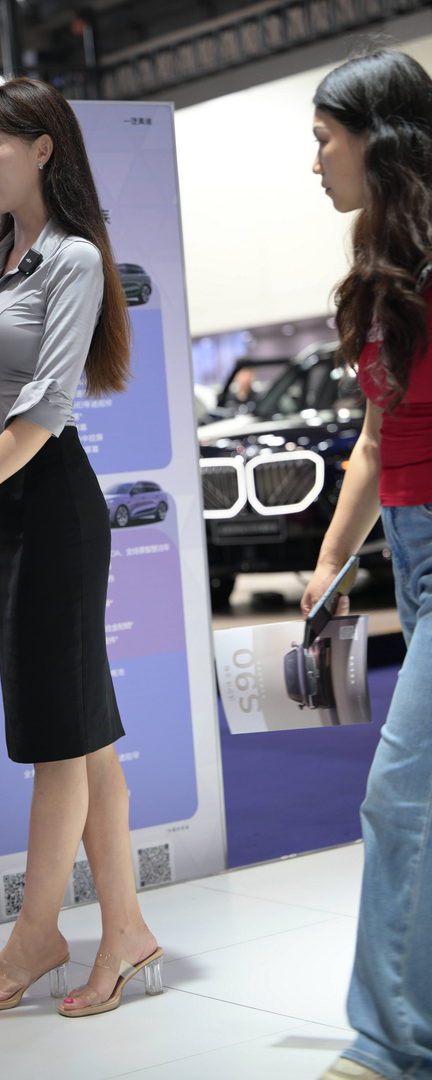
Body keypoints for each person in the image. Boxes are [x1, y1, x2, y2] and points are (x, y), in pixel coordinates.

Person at [0, 76, 162, 1017]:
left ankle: (35, 938)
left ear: (43, 148)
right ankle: (126, 935)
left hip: (49, 503)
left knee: (58, 737)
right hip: (18, 503)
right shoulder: (7, 255)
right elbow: (12, 393)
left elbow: (48, 411)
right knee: (85, 737)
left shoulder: (74, 258)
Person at [303, 50, 432, 1080]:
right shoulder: (384, 270)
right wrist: (331, 559)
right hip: (410, 554)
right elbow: (375, 437)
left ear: (376, 140)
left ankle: (389, 1048)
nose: (315, 163)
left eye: (323, 139)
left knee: (400, 797)